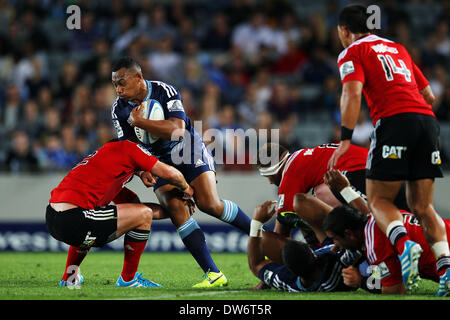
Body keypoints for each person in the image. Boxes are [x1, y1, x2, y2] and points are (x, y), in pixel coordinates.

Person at [327, 4, 449, 291]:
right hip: (427, 122)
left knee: (380, 201)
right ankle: (446, 269)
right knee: (423, 206)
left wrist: (346, 137)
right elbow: (429, 95)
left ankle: (405, 245)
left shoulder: (352, 51)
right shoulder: (398, 48)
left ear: (345, 31)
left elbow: (352, 91)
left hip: (394, 121)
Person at [110, 56, 251, 288]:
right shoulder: (118, 108)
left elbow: (177, 130)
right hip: (158, 160)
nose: (118, 89)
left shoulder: (165, 91)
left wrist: (140, 122)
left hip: (187, 149)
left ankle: (261, 234)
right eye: (115, 84)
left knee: (209, 204)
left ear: (138, 77)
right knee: (176, 208)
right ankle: (213, 274)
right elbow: (127, 146)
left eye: (122, 82)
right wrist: (141, 170)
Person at [47, 139, 194, 288]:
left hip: (53, 217)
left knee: (93, 221)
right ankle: (128, 279)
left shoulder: (105, 170)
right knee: (137, 215)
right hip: (74, 218)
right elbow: (170, 174)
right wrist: (187, 189)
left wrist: (175, 210)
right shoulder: (128, 147)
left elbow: (135, 209)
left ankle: (69, 278)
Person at [257, 142, 372, 241]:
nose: (270, 181)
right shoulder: (300, 158)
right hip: (371, 166)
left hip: (360, 172)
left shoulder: (290, 172)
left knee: (309, 203)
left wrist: (257, 225)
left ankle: (355, 237)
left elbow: (281, 231)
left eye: (267, 175)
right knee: (309, 203)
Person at [247, 200, 363, 293]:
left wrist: (256, 223)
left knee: (265, 238)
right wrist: (362, 280)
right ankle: (306, 226)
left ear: (288, 268)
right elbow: (355, 243)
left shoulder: (287, 281)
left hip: (318, 266)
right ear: (312, 252)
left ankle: (306, 225)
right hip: (330, 254)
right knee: (301, 202)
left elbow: (256, 265)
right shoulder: (340, 261)